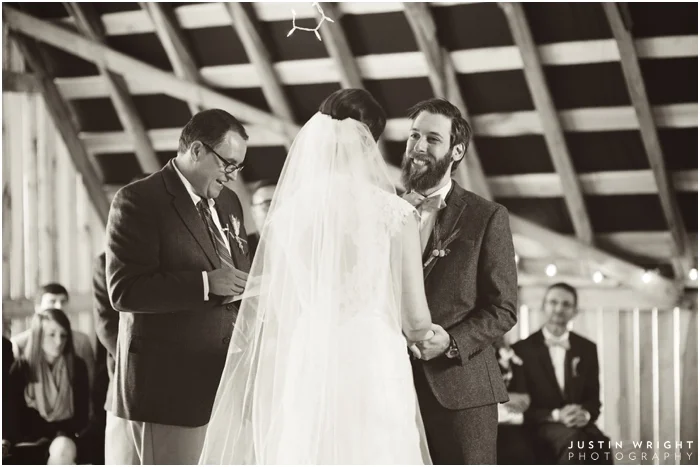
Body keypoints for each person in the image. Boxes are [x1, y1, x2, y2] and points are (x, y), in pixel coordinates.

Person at [199, 88, 435, 464]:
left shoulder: (286, 216)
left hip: (309, 355)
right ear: (369, 143)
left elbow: (281, 306)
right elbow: (415, 319)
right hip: (371, 357)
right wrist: (429, 336)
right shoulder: (397, 214)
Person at [105, 109, 253, 464]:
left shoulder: (229, 202)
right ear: (197, 150)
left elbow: (237, 272)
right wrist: (205, 284)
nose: (232, 176)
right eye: (227, 164)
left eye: (238, 167)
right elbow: (124, 290)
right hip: (170, 390)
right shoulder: (139, 200)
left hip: (227, 383)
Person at [403, 98, 518, 464]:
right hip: (393, 388)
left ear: (456, 151)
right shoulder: (387, 211)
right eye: (414, 136)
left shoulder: (486, 216)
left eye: (432, 139)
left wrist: (451, 343)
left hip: (462, 392)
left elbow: (503, 308)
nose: (419, 146)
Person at [511, 283, 612, 464]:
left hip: (578, 425)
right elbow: (520, 406)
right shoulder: (521, 350)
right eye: (553, 302)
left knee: (601, 443)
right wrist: (557, 415)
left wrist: (585, 415)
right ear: (543, 306)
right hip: (541, 426)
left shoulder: (587, 348)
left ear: (575, 311)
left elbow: (593, 400)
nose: (559, 309)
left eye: (566, 304)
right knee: (575, 441)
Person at [4, 308, 89, 464]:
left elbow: (81, 417)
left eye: (63, 335)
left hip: (64, 437)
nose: (59, 341)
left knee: (62, 451)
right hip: (28, 439)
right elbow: (12, 416)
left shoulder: (77, 366)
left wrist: (58, 434)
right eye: (52, 334)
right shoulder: (21, 368)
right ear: (38, 335)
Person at [11, 284, 95, 392]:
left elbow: (90, 384)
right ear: (38, 307)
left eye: (63, 302)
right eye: (52, 301)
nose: (59, 307)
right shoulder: (19, 343)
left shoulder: (82, 341)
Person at [248, 179, 276, 257]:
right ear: (253, 212)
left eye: (280, 203)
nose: (275, 210)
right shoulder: (242, 248)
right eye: (268, 204)